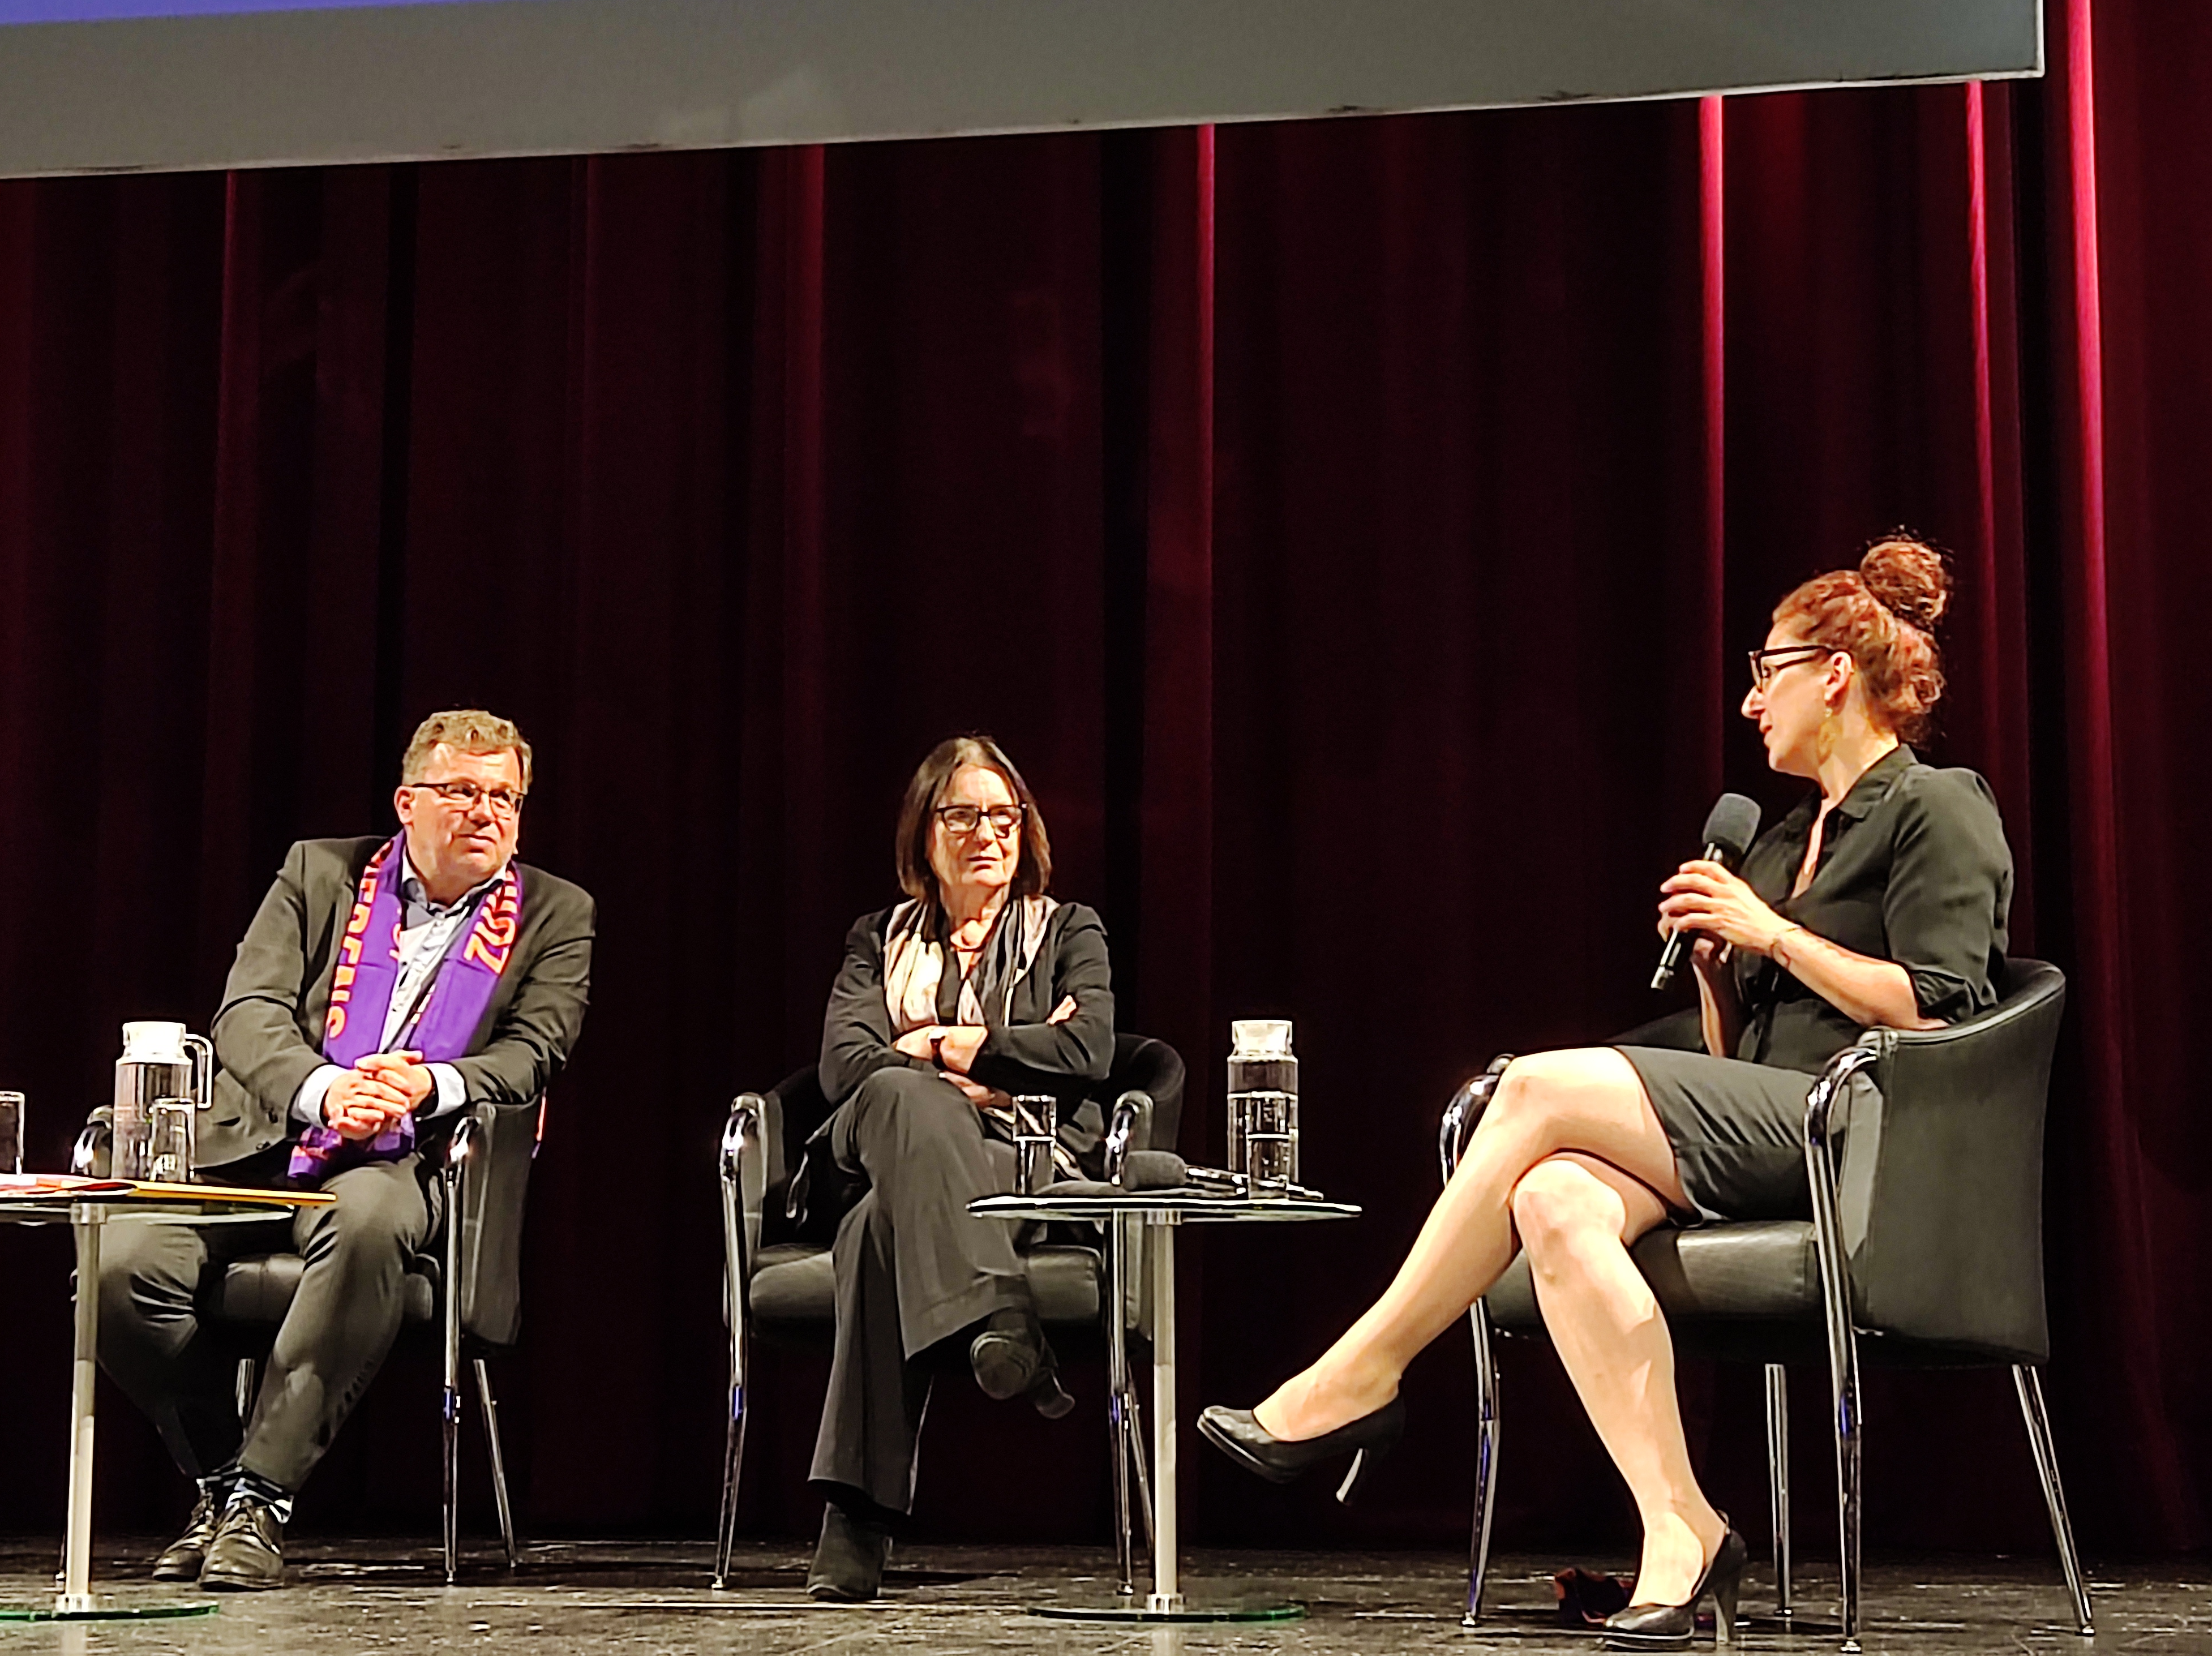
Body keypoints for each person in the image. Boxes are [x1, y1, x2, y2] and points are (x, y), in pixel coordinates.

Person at [1200, 539, 2011, 1649]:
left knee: (1531, 1087)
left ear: (1830, 674)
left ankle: (1362, 1373)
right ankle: (1681, 1529)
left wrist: (1768, 931)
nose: (1745, 700)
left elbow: (1938, 1007)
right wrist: (1723, 971)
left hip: (1861, 1135)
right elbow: (1738, 1056)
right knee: (1551, 1203)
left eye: (1762, 670)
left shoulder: (1935, 807)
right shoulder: (1782, 836)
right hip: (1761, 1114)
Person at [97, 710, 595, 1589]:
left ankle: (263, 1499)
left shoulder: (557, 912)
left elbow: (535, 1051)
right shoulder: (317, 872)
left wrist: (422, 1086)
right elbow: (248, 1012)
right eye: (462, 793)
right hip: (263, 1146)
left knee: (366, 1222)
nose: (486, 814)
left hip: (408, 1159)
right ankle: (222, 1483)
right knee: (121, 1263)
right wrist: (329, 1089)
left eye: (505, 799)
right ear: (409, 802)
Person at [805, 735, 1114, 1601]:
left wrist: (942, 1045)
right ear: (924, 834)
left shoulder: (1069, 930)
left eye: (1004, 816)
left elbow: (1089, 1050)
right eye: (964, 815)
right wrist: (1003, 1063)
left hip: (1024, 1165)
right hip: (888, 1147)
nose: (988, 834)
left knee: (876, 1229)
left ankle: (855, 1518)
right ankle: (1001, 1318)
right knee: (908, 1105)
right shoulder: (875, 940)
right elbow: (846, 1069)